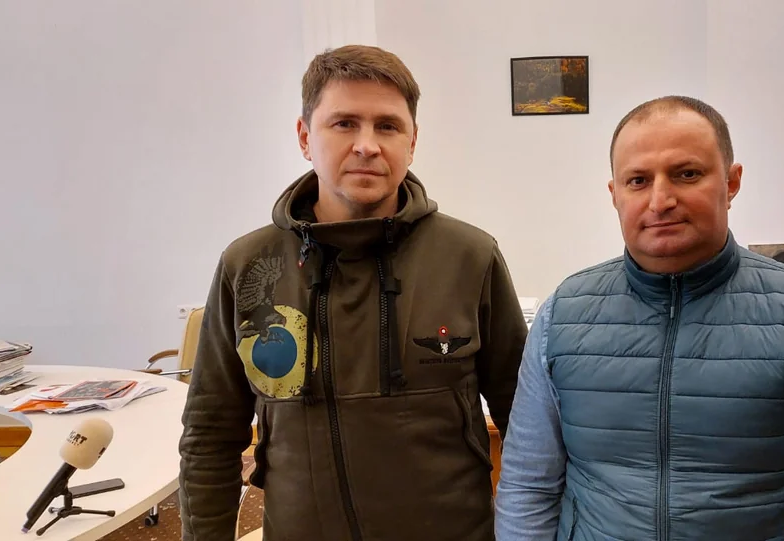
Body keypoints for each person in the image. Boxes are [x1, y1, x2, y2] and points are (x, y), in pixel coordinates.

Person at [494, 96, 784, 541]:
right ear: (615, 194)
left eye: (687, 174)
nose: (660, 200)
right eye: (638, 180)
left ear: (731, 183)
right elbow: (527, 490)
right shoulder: (562, 318)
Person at [178, 44, 528, 541]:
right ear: (305, 137)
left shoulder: (470, 257)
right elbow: (210, 433)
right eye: (344, 123)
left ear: (412, 141)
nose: (367, 145)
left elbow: (524, 421)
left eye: (387, 126)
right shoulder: (249, 266)